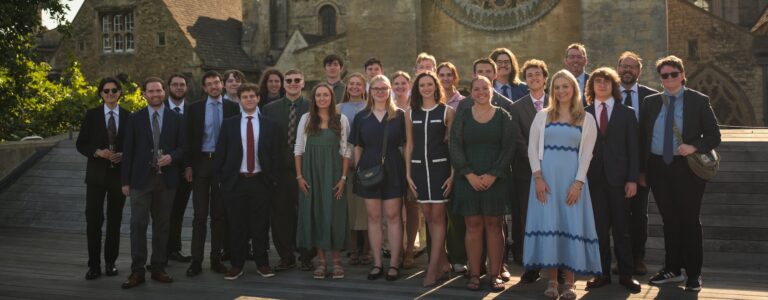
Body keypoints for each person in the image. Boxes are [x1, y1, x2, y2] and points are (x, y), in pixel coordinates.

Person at [641, 56, 720, 292]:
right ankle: (672, 269)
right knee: (669, 221)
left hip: (687, 169)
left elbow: (715, 136)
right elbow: (643, 138)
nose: (670, 78)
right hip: (658, 168)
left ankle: (694, 274)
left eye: (674, 74)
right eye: (664, 75)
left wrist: (694, 146)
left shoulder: (698, 100)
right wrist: (642, 171)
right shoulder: (650, 102)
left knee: (689, 221)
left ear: (682, 75)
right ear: (660, 78)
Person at [523, 70, 600, 300]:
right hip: (545, 181)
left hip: (572, 182)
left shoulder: (586, 119)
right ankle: (553, 281)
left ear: (574, 90)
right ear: (552, 90)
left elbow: (586, 155)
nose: (561, 91)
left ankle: (570, 283)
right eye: (557, 87)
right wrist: (538, 178)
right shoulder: (542, 116)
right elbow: (532, 149)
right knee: (551, 225)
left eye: (566, 86)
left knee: (570, 226)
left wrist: (578, 183)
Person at [450, 76, 516, 292]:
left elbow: (509, 149)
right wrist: (468, 174)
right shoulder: (462, 116)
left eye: (485, 88)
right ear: (470, 92)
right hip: (468, 180)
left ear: (492, 90)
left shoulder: (503, 116)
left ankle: (495, 274)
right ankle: (475, 273)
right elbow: (455, 147)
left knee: (494, 226)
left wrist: (493, 174)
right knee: (473, 225)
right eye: (476, 89)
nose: (481, 92)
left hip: (495, 180)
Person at [120, 77, 185, 289]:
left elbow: (184, 148)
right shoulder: (135, 118)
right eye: (151, 91)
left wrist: (172, 158)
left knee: (162, 226)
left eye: (158, 91)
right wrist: (125, 182)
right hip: (140, 180)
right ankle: (137, 271)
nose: (155, 94)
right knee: (138, 225)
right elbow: (128, 152)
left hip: (166, 181)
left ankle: (158, 267)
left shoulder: (176, 119)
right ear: (144, 94)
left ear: (164, 92)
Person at [583, 67, 642, 293]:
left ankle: (626, 274)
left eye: (607, 81)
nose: (602, 85)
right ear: (592, 87)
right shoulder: (584, 113)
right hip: (594, 180)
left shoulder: (626, 113)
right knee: (598, 229)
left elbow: (633, 149)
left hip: (620, 181)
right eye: (597, 81)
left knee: (622, 229)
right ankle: (601, 274)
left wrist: (632, 179)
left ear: (614, 86)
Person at [214, 83, 281, 280]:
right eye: (245, 97)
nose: (249, 99)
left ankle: (262, 264)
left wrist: (273, 180)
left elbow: (276, 155)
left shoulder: (270, 124)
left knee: (260, 225)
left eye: (253, 96)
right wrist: (221, 181)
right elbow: (220, 154)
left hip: (261, 181)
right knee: (236, 226)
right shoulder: (229, 124)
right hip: (235, 182)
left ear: (258, 98)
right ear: (240, 100)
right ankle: (237, 265)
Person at [350, 74, 411, 281]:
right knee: (373, 217)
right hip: (368, 169)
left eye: (384, 88)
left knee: (394, 216)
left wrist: (408, 173)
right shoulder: (361, 117)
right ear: (370, 91)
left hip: (393, 167)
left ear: (389, 91)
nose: (380, 92)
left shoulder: (400, 116)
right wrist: (358, 170)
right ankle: (377, 263)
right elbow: (357, 146)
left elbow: (406, 146)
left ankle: (394, 263)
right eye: (376, 88)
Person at [294, 83, 352, 279]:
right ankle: (321, 262)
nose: (321, 98)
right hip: (310, 175)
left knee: (334, 214)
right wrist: (300, 177)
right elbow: (298, 149)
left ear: (331, 97)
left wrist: (343, 178)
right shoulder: (306, 119)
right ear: (314, 98)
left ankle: (336, 262)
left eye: (325, 95)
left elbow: (346, 151)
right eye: (318, 95)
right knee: (316, 213)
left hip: (334, 174)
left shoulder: (341, 119)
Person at [185, 71, 240, 277]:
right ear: (204, 88)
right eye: (209, 84)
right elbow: (188, 139)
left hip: (224, 166)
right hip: (201, 164)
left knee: (219, 215)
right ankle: (196, 261)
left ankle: (216, 258)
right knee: (199, 216)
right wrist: (188, 166)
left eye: (217, 82)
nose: (214, 86)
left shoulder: (233, 107)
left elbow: (237, 139)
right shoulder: (195, 109)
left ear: (222, 85)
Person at [76, 77, 130, 280]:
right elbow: (81, 144)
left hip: (118, 176)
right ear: (100, 93)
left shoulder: (128, 116)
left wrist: (124, 155)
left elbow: (133, 146)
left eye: (114, 90)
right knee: (93, 221)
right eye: (106, 91)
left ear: (120, 93)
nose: (110, 94)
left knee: (115, 221)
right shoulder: (92, 115)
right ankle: (94, 265)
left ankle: (110, 263)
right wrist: (97, 152)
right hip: (96, 177)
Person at [405, 72, 455, 287]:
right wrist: (408, 174)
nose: (426, 88)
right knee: (428, 217)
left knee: (438, 218)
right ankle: (443, 264)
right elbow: (410, 145)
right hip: (417, 171)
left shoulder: (447, 112)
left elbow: (453, 146)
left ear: (436, 87)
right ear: (417, 88)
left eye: (429, 84)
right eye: (422, 85)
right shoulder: (410, 113)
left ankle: (432, 269)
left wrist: (452, 175)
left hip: (440, 170)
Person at [262, 69, 311, 271]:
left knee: (306, 213)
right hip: (280, 170)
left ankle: (307, 254)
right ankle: (286, 255)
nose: (292, 83)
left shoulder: (312, 106)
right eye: (288, 80)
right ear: (283, 84)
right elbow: (264, 141)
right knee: (281, 214)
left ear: (303, 83)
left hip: (306, 168)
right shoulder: (269, 109)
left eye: (296, 80)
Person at [616, 51, 659, 275]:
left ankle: (638, 258)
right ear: (617, 69)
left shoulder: (652, 97)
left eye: (632, 67)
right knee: (618, 216)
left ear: (639, 71)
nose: (627, 70)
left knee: (639, 216)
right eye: (624, 66)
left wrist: (642, 170)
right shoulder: (609, 95)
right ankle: (621, 260)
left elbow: (652, 136)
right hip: (614, 168)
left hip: (642, 168)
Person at [509, 59, 549, 283]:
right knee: (528, 218)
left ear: (545, 77)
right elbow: (518, 139)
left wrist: (549, 162)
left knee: (553, 218)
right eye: (530, 75)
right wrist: (537, 162)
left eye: (538, 74)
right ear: (525, 81)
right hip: (526, 172)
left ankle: (558, 265)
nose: (534, 78)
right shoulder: (517, 107)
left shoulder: (559, 101)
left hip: (555, 171)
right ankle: (531, 265)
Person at [338, 73, 373, 266]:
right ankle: (353, 248)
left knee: (366, 208)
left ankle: (367, 248)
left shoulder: (369, 107)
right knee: (350, 208)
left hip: (366, 163)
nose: (354, 87)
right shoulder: (338, 108)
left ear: (363, 87)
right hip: (345, 162)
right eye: (351, 84)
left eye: (358, 84)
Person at [437, 62, 468, 274]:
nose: (446, 78)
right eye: (442, 75)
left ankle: (458, 256)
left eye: (450, 75)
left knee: (456, 212)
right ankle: (437, 256)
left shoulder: (463, 103)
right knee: (435, 211)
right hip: (433, 159)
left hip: (456, 158)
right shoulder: (429, 100)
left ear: (455, 78)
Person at [391, 71, 421, 269]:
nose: (400, 86)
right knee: (394, 210)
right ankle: (397, 248)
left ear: (409, 85)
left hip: (414, 159)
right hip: (394, 162)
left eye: (403, 83)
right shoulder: (389, 106)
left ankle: (410, 249)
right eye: (396, 83)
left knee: (411, 208)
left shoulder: (415, 106)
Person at [164, 74, 192, 263]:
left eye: (182, 85)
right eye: (175, 84)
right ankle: (161, 251)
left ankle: (174, 249)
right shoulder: (159, 108)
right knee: (163, 213)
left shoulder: (193, 111)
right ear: (168, 87)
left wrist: (189, 165)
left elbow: (193, 142)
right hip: (164, 168)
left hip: (185, 171)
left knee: (178, 212)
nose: (179, 87)